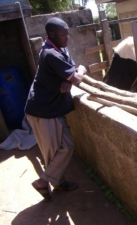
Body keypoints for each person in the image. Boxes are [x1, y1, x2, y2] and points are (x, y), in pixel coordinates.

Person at [25, 17, 87, 201]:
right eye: (63, 34)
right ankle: (48, 183)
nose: (67, 37)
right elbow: (75, 77)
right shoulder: (50, 53)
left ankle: (48, 181)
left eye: (68, 33)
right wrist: (81, 71)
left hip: (52, 109)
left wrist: (66, 78)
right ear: (51, 34)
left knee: (67, 146)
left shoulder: (60, 49)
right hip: (43, 111)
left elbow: (69, 70)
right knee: (53, 152)